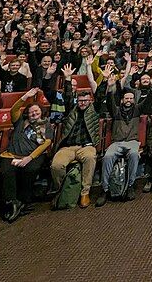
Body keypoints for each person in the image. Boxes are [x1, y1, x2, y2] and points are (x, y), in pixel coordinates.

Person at [97, 70, 152, 206]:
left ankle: (130, 186)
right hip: (117, 143)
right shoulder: (116, 111)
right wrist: (110, 88)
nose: (128, 100)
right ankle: (104, 190)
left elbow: (148, 101)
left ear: (134, 100)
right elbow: (110, 102)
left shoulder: (137, 109)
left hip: (132, 142)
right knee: (107, 157)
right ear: (122, 100)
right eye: (126, 98)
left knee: (134, 154)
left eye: (131, 98)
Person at [0, 87, 53, 222]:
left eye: (36, 111)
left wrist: (29, 158)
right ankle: (12, 203)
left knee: (30, 169)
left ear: (41, 113)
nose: (33, 114)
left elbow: (46, 143)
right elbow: (13, 110)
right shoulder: (20, 122)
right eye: (31, 112)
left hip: (33, 156)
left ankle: (24, 200)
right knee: (6, 171)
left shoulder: (46, 126)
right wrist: (25, 96)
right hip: (11, 154)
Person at [50, 64, 99, 208]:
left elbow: (101, 94)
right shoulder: (72, 110)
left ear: (90, 101)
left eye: (86, 101)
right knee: (56, 166)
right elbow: (68, 96)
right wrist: (67, 78)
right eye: (81, 101)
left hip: (87, 146)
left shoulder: (94, 111)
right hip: (68, 147)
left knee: (90, 159)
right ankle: (63, 188)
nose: (83, 103)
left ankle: (85, 192)